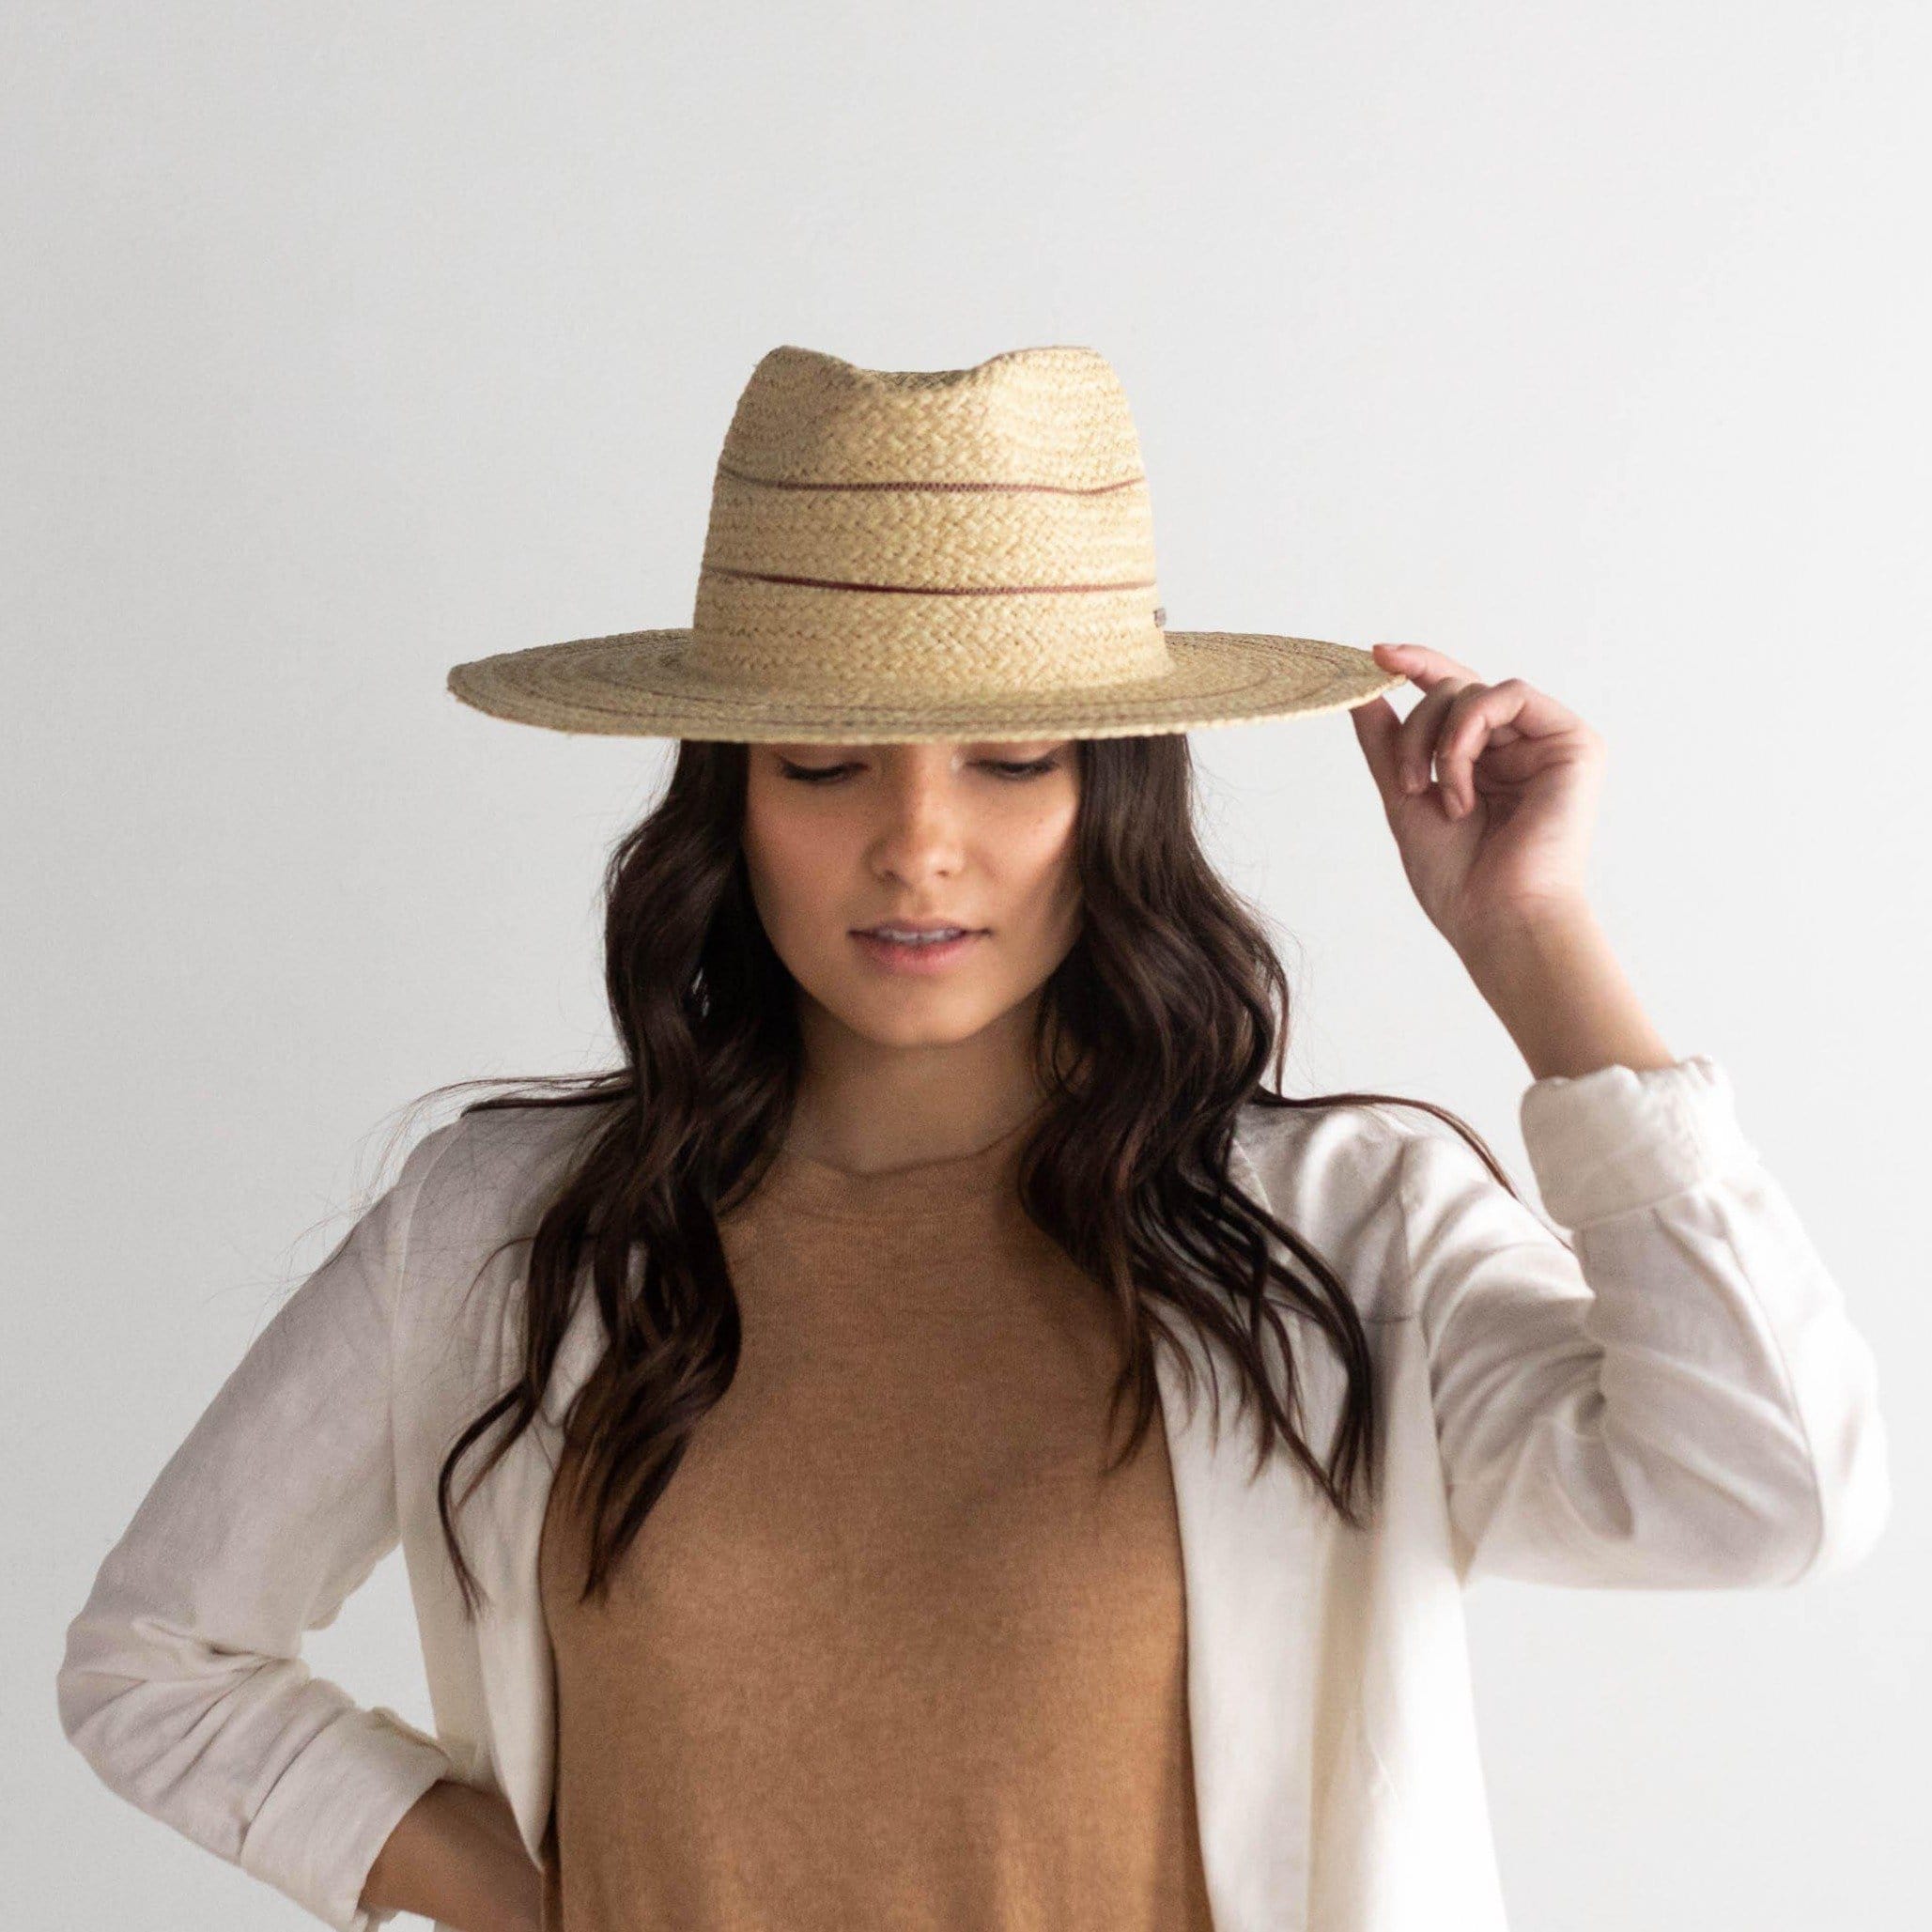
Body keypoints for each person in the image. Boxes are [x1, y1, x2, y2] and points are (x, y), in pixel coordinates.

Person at [57, 346, 1890, 1932]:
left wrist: (1530, 942)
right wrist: (538, 1899)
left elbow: (1768, 1493)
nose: (917, 845)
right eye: (825, 761)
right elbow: (153, 1659)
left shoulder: (1341, 1236)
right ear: (729, 797)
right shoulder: (498, 1234)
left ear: (1114, 794)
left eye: (1012, 761)